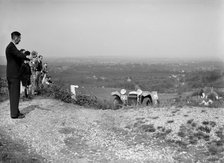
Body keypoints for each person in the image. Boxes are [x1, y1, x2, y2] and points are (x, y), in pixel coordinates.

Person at [5, 31, 30, 119]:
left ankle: (15, 111)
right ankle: (15, 114)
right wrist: (27, 57)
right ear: (16, 38)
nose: (20, 40)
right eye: (19, 38)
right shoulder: (11, 47)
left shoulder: (10, 47)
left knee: (13, 94)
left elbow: (17, 57)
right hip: (14, 74)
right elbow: (19, 54)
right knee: (15, 94)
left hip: (11, 74)